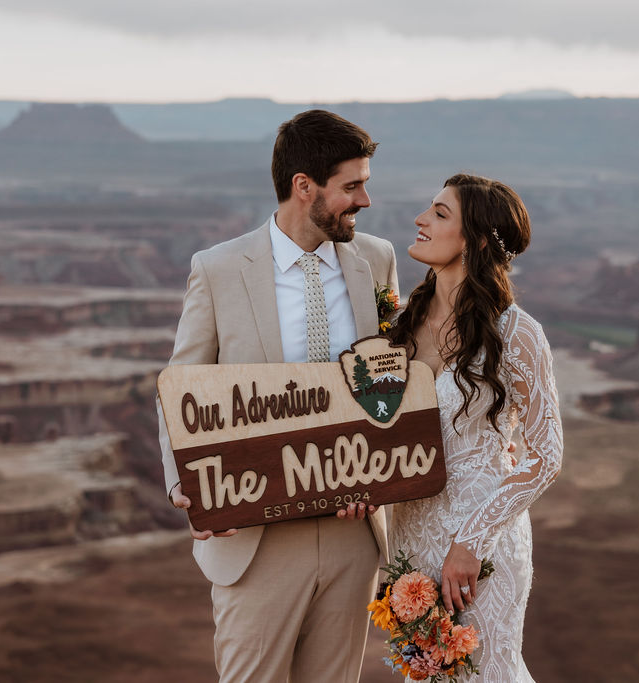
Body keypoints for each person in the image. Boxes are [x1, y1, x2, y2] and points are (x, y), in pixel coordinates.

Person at [157, 110, 398, 683]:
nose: (365, 200)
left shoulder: (378, 261)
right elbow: (180, 387)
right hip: (257, 537)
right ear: (303, 186)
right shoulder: (218, 269)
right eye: (352, 185)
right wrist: (186, 484)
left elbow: (390, 382)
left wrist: (382, 471)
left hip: (351, 534)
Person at [387, 173, 563, 682]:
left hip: (479, 544)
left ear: (479, 241)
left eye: (440, 214)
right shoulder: (397, 324)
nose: (421, 220)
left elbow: (545, 456)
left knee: (487, 673)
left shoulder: (517, 333)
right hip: (411, 541)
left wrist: (472, 540)